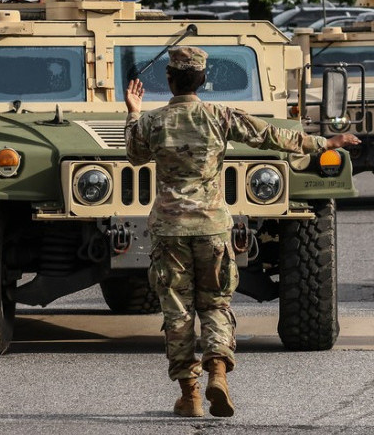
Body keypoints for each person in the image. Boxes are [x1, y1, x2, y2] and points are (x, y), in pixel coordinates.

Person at [124, 46, 359, 418]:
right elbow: (270, 136)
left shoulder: (154, 122)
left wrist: (134, 113)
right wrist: (324, 143)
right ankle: (218, 370)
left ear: (169, 80)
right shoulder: (220, 116)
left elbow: (135, 156)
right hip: (213, 228)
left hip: (170, 231)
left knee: (178, 311)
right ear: (203, 80)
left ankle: (191, 396)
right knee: (216, 304)